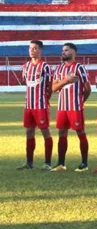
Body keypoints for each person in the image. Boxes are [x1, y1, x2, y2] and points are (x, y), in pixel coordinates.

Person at [51, 43, 91, 172]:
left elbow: (87, 88)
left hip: (75, 106)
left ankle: (84, 163)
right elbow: (53, 88)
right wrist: (66, 81)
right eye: (62, 50)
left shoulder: (79, 67)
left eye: (66, 50)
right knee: (62, 133)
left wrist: (81, 100)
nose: (63, 52)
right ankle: (61, 164)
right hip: (62, 107)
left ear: (73, 52)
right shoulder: (59, 69)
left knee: (80, 132)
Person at [17, 40, 54, 171]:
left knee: (45, 132)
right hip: (28, 106)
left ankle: (48, 162)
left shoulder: (45, 67)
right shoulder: (25, 67)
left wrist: (44, 100)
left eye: (35, 48)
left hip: (41, 105)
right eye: (30, 48)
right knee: (29, 132)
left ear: (41, 50)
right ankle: (29, 162)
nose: (32, 50)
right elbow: (26, 83)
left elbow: (50, 87)